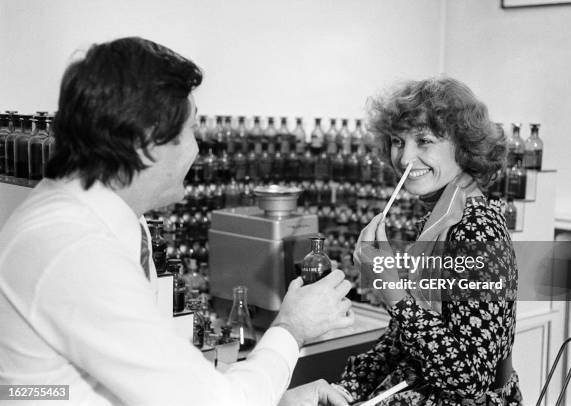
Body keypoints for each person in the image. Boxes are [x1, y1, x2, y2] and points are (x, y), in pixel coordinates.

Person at [0, 37, 354, 406]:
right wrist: (290, 328)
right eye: (190, 130)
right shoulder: (75, 250)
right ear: (148, 142)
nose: (197, 150)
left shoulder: (113, 221)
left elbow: (167, 380)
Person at [332, 77, 523, 405]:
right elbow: (406, 341)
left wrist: (392, 291)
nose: (405, 159)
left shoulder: (476, 232)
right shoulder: (443, 218)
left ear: (464, 148)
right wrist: (348, 386)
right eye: (396, 141)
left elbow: (469, 380)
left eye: (424, 141)